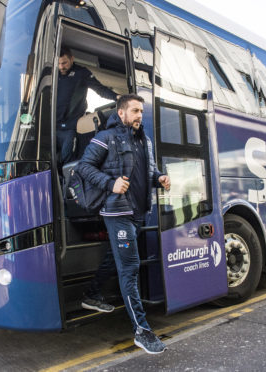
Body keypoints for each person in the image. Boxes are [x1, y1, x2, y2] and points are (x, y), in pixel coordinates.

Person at [77, 94, 171, 355]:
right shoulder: (107, 138)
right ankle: (142, 330)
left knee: (115, 257)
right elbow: (84, 167)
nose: (139, 115)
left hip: (139, 212)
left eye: (141, 111)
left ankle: (92, 294)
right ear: (121, 113)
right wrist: (110, 183)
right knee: (129, 268)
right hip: (117, 212)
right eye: (134, 110)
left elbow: (148, 173)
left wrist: (159, 178)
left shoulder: (145, 141)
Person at [56, 47, 118, 166]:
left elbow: (100, 89)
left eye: (64, 63)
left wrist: (117, 97)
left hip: (70, 126)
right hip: (52, 126)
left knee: (66, 159)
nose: (61, 67)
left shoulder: (82, 73)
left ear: (72, 59)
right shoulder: (53, 73)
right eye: (58, 63)